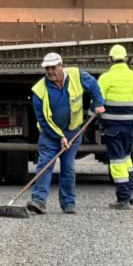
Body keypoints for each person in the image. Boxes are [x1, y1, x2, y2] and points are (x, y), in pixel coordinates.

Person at [28, 51, 91, 212]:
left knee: (68, 167)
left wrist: (97, 104)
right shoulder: (39, 91)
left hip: (72, 132)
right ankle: (38, 201)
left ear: (61, 65)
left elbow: (94, 87)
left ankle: (69, 203)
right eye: (47, 68)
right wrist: (59, 137)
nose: (49, 71)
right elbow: (43, 121)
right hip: (50, 135)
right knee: (44, 165)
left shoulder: (77, 75)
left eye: (53, 67)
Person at [94, 42, 133, 208]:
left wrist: (90, 119)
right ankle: (130, 190)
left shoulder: (105, 78)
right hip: (130, 126)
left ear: (110, 59)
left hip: (112, 127)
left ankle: (123, 198)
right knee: (126, 157)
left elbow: (98, 102)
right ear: (126, 59)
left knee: (116, 161)